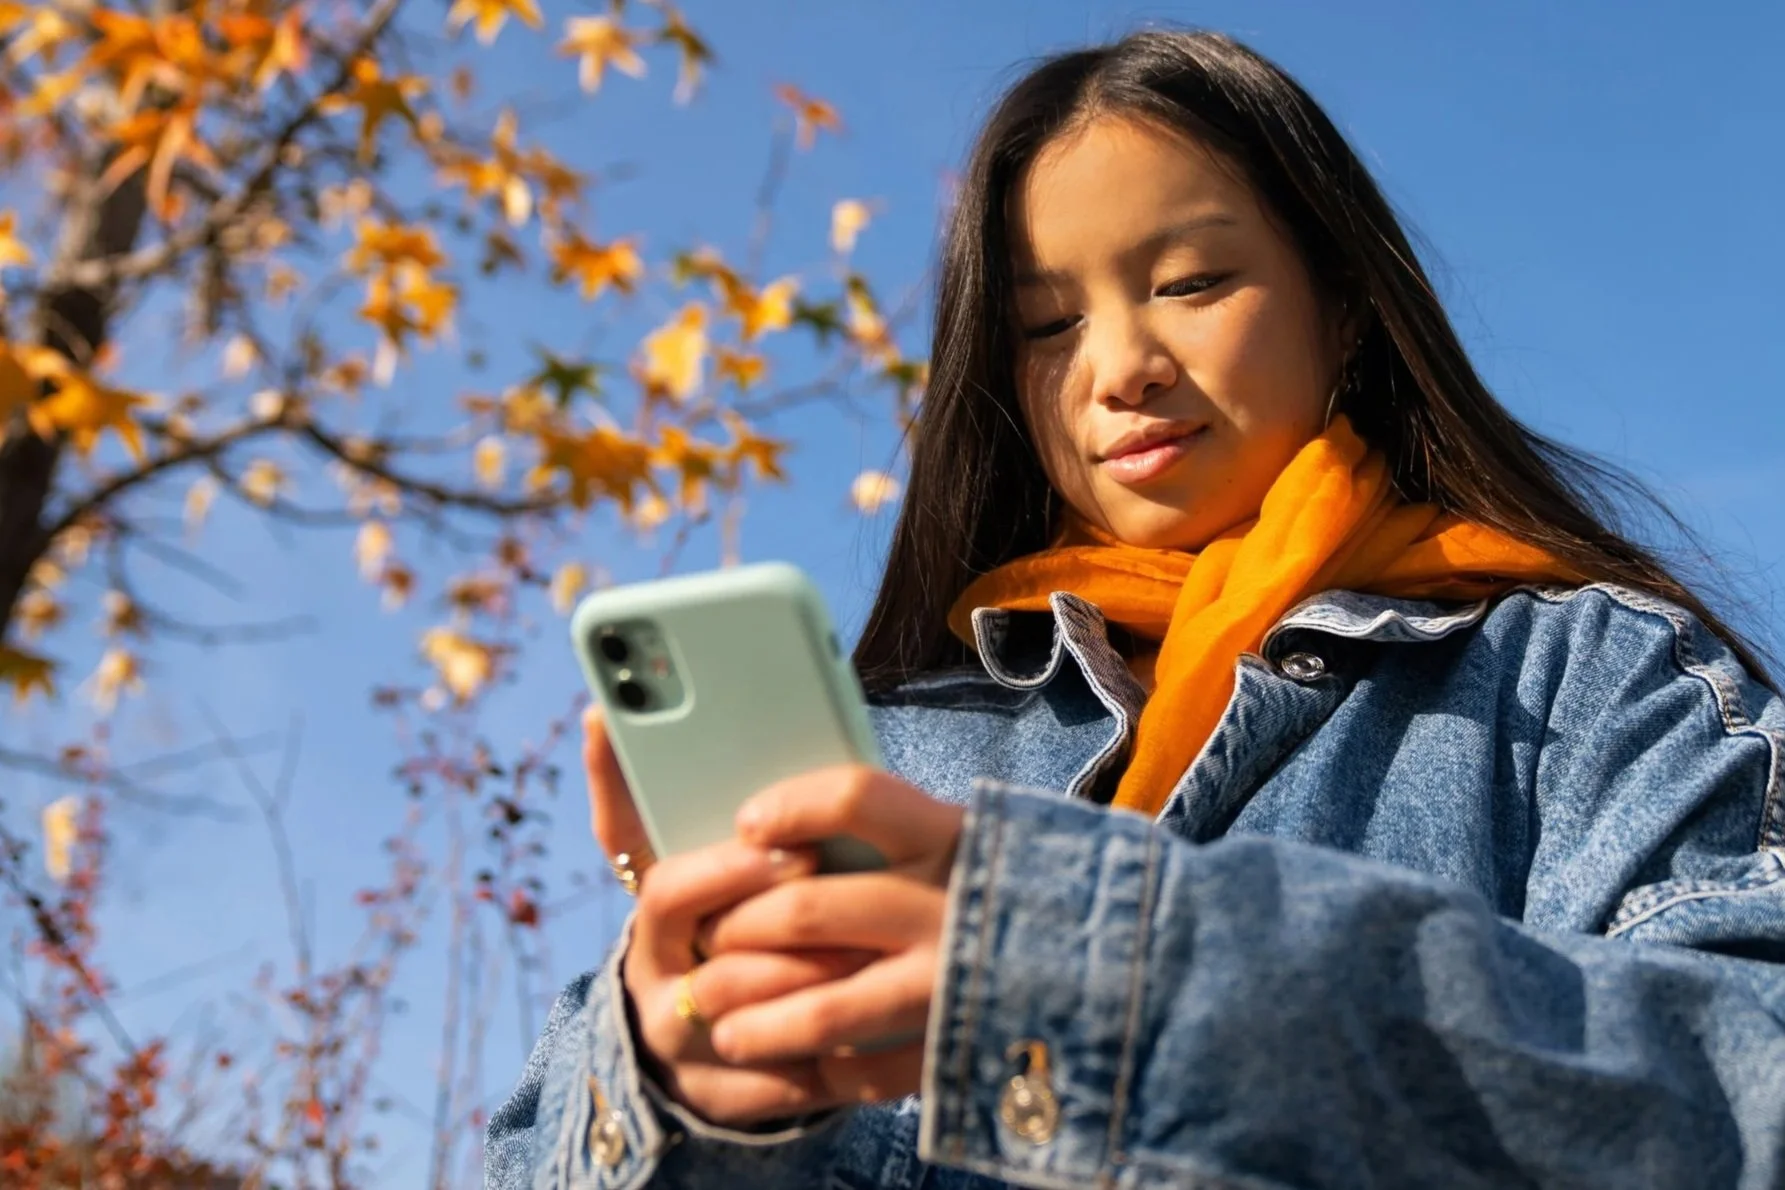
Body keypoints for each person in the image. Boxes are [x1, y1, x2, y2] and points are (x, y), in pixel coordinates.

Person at [486, 28, 1785, 1190]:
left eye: (1192, 283)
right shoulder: (895, 750)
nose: (1118, 368)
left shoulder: (1589, 674)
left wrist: (1123, 970)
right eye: (1047, 324)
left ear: (1342, 310)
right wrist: (679, 1090)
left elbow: (1749, 1088)